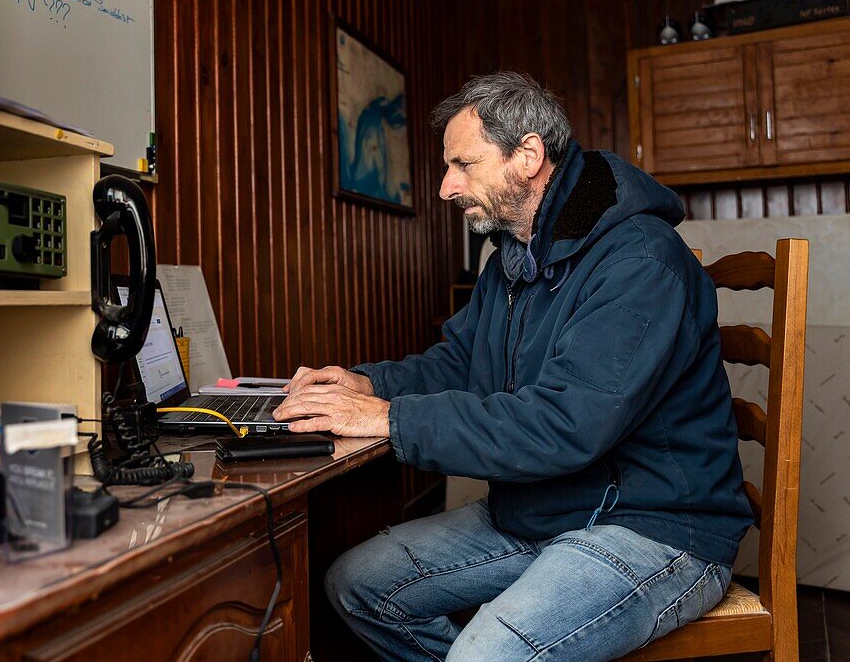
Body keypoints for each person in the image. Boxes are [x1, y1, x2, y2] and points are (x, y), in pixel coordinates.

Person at [273, 72, 752, 661]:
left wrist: (391, 419)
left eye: (462, 165)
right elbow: (461, 361)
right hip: (547, 510)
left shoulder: (641, 262)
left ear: (527, 155)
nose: (446, 187)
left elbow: (565, 424)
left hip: (655, 528)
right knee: (357, 586)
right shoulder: (514, 256)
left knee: (484, 656)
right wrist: (370, 384)